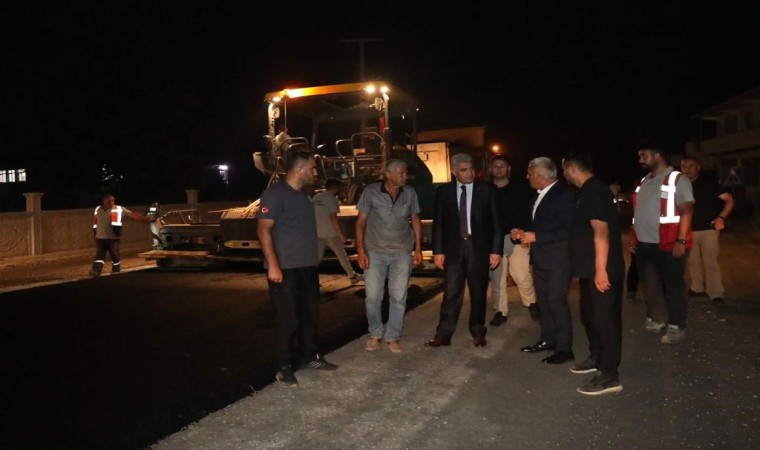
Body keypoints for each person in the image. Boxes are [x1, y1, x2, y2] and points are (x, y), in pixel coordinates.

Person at [257, 151, 338, 387]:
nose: (315, 172)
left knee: (310, 315)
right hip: (285, 268)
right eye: (312, 168)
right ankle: (284, 367)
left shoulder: (303, 196)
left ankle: (310, 357)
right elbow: (263, 230)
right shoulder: (274, 194)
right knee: (288, 320)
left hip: (307, 266)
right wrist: (273, 266)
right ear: (299, 170)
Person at [562, 151, 625, 395]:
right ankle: (597, 358)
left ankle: (609, 375)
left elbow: (601, 233)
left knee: (605, 321)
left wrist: (601, 270)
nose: (564, 174)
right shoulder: (585, 192)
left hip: (603, 270)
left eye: (564, 169)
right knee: (590, 316)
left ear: (572, 169)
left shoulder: (595, 191)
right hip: (589, 270)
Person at [425, 152, 502, 348]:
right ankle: (443, 335)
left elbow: (496, 222)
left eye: (471, 169)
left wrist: (496, 250)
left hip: (479, 248)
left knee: (478, 292)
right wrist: (438, 251)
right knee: (451, 292)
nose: (469, 173)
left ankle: (478, 331)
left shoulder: (487, 190)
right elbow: (438, 223)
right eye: (464, 170)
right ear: (454, 172)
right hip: (453, 249)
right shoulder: (444, 192)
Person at [355, 159, 423, 353]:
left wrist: (418, 248)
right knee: (373, 296)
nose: (405, 176)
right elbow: (360, 222)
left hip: (402, 252)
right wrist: (360, 250)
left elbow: (415, 219)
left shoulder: (410, 193)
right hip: (375, 252)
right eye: (401, 173)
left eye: (406, 173)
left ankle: (393, 336)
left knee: (399, 296)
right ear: (388, 174)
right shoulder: (371, 192)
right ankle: (375, 334)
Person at [512, 157, 575, 364]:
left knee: (557, 302)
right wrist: (523, 233)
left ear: (540, 176)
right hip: (540, 258)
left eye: (529, 173)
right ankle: (548, 339)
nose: (526, 176)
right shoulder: (537, 197)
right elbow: (540, 226)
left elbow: (569, 230)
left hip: (558, 259)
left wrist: (537, 236)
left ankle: (565, 349)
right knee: (545, 303)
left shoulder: (563, 195)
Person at [630, 143, 694, 344]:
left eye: (644, 155)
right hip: (645, 244)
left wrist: (681, 240)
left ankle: (676, 326)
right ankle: (656, 319)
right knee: (650, 285)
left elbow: (687, 211)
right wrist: (635, 238)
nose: (640, 160)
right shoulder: (645, 181)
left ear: (657, 155)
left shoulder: (677, 179)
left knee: (673, 286)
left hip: (669, 243)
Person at [486, 155, 539, 326]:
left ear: (509, 169)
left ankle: (531, 303)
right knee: (497, 277)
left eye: (502, 166)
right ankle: (500, 311)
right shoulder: (486, 190)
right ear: (490, 169)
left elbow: (528, 212)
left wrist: (523, 230)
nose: (499, 169)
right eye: (495, 166)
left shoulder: (520, 189)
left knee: (521, 274)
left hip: (518, 236)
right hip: (494, 240)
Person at [680, 155, 734, 305]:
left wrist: (721, 217)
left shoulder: (709, 183)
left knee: (710, 261)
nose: (687, 169)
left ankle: (716, 293)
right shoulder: (679, 185)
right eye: (684, 166)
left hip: (708, 229)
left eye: (691, 166)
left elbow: (729, 200)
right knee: (692, 262)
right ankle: (697, 287)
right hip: (688, 230)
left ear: (698, 167)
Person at [312, 178, 362, 284]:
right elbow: (333, 218)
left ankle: (310, 279)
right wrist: (341, 234)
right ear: (335, 187)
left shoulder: (316, 197)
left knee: (316, 257)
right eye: (339, 187)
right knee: (342, 255)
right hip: (330, 233)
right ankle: (352, 276)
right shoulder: (331, 199)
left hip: (317, 232)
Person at [90, 194, 151, 277]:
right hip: (100, 238)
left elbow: (132, 214)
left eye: (113, 200)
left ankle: (116, 268)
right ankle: (96, 271)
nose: (112, 202)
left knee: (114, 254)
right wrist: (95, 233)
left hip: (113, 238)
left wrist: (144, 218)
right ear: (104, 201)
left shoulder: (119, 209)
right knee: (100, 256)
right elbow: (95, 222)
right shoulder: (98, 209)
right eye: (109, 201)